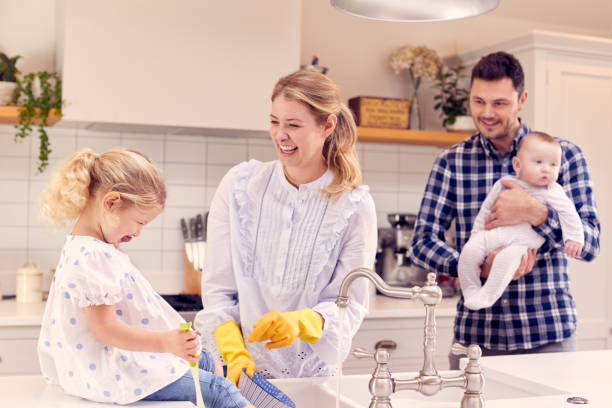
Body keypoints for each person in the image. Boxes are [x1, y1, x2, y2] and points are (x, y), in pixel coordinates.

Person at [410, 51, 600, 369]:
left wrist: (536, 213)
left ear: (521, 99)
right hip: (475, 340)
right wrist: (477, 265)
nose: (487, 113)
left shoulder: (563, 157)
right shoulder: (452, 162)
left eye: (500, 103)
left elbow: (590, 244)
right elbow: (421, 243)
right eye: (478, 101)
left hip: (548, 337)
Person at [194, 69, 377, 384]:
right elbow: (218, 290)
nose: (280, 135)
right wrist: (232, 349)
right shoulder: (240, 186)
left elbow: (351, 304)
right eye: (274, 122)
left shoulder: (354, 206)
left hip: (314, 381)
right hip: (242, 376)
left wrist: (305, 322)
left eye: (293, 125)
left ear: (328, 125)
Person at [37, 148, 252, 408]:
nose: (138, 232)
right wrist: (165, 342)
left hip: (117, 363)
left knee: (208, 362)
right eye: (139, 221)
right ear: (111, 202)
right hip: (110, 374)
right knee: (220, 391)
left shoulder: (94, 247)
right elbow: (105, 329)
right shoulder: (91, 256)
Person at [458, 132, 584, 310]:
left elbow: (569, 214)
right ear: (517, 164)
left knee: (505, 261)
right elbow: (485, 211)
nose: (546, 169)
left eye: (553, 164)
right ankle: (470, 289)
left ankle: (487, 295)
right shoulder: (503, 183)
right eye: (538, 162)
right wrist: (476, 234)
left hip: (522, 243)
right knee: (469, 252)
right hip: (493, 235)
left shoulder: (552, 191)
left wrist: (574, 238)